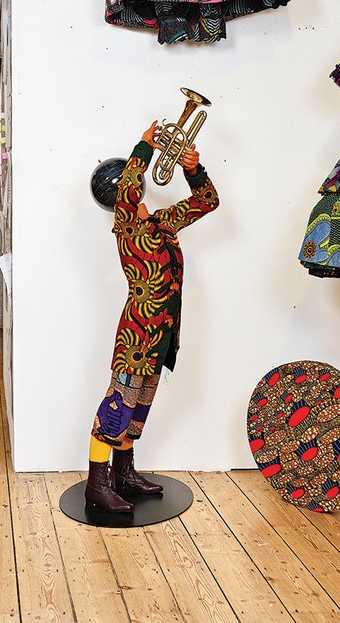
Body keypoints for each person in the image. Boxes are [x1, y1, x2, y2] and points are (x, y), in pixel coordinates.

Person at [85, 121, 219, 513]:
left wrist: (192, 168)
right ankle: (98, 483)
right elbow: (128, 188)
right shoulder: (126, 225)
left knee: (139, 406)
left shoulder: (164, 221)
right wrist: (143, 148)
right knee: (117, 406)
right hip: (136, 335)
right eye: (127, 183)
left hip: (161, 336)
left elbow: (207, 201)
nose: (133, 188)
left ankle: (124, 474)